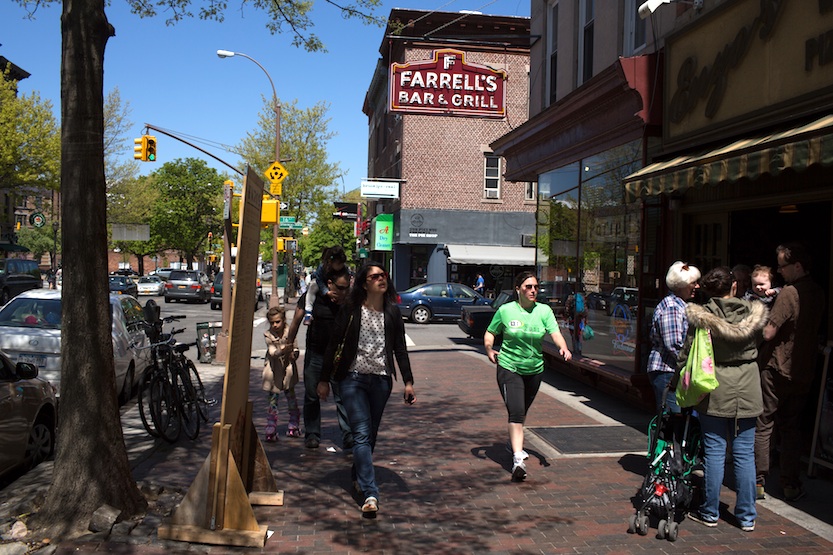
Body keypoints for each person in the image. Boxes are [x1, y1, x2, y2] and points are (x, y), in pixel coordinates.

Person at [318, 262, 416, 516]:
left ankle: (357, 475)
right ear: (364, 283)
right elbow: (334, 344)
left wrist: (407, 381)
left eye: (384, 275)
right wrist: (324, 378)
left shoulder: (392, 312)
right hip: (353, 379)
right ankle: (371, 493)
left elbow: (400, 350)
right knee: (361, 433)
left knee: (369, 435)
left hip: (381, 381)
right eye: (375, 276)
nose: (381, 279)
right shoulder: (352, 310)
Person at [682, 266, 767, 532]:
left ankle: (709, 511)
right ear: (734, 287)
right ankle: (746, 516)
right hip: (749, 385)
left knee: (715, 452)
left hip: (714, 386)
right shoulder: (752, 314)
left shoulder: (701, 317)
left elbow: (686, 353)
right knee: (744, 454)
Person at [484, 271, 572, 482]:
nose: (533, 291)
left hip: (534, 370)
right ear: (518, 289)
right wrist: (489, 349)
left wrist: (564, 348)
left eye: (535, 287)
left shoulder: (544, 311)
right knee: (516, 411)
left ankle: (512, 443)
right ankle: (517, 460)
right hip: (509, 367)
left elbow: (555, 333)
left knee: (521, 412)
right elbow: (490, 332)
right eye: (528, 287)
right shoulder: (506, 310)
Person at [755, 243, 826, 502]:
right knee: (792, 428)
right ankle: (790, 484)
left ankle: (758, 481)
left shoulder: (790, 293)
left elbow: (769, 332)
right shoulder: (818, 292)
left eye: (782, 265)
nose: (779, 271)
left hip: (777, 367)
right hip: (803, 370)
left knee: (764, 423)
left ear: (797, 266)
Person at [287, 266, 354, 450]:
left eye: (346, 287)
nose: (343, 292)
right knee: (311, 395)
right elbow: (296, 320)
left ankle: (348, 434)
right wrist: (289, 343)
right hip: (316, 353)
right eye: (340, 288)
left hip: (339, 356)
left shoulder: (348, 300)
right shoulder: (314, 295)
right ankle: (312, 434)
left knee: (342, 395)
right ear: (329, 284)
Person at [646, 261, 701, 414]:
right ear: (681, 284)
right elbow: (674, 344)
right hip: (667, 371)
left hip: (673, 371)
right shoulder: (672, 307)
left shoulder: (681, 305)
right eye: (693, 283)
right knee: (671, 419)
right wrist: (693, 366)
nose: (697, 286)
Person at [262, 306, 301, 441]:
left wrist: (293, 354)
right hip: (274, 371)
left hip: (287, 370)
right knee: (273, 400)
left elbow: (296, 349)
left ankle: (294, 423)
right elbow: (272, 352)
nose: (275, 325)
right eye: (272, 322)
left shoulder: (290, 332)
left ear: (283, 320)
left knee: (291, 397)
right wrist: (283, 350)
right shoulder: (268, 335)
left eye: (278, 321)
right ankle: (271, 426)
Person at [304, 246, 348, 325]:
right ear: (331, 262)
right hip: (321, 283)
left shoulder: (344, 268)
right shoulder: (322, 267)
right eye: (338, 264)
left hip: (334, 285)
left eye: (342, 264)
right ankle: (308, 312)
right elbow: (319, 280)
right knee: (312, 287)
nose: (340, 266)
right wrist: (326, 292)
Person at [565, 291, 587, 357]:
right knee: (579, 335)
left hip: (572, 319)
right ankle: (579, 349)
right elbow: (585, 310)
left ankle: (575, 350)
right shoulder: (582, 298)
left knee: (573, 335)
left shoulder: (570, 298)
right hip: (580, 320)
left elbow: (567, 309)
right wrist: (585, 319)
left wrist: (567, 316)